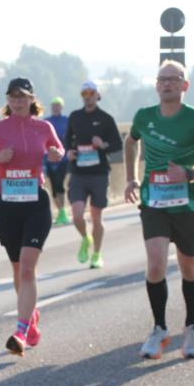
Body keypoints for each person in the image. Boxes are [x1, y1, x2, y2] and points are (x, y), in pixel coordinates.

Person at [124, 61, 194, 359]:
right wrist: (131, 177)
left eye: (173, 79)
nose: (167, 84)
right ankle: (159, 328)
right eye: (162, 79)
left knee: (188, 266)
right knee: (156, 263)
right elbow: (130, 142)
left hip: (187, 205)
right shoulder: (144, 117)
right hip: (154, 203)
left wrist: (188, 173)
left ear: (184, 85)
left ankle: (191, 324)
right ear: (156, 85)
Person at [0, 77, 64, 356]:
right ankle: (30, 319)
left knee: (26, 267)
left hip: (36, 202)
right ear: (7, 101)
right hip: (9, 206)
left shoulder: (44, 127)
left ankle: (20, 330)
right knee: (17, 270)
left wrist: (57, 155)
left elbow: (58, 152)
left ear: (32, 99)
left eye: (22, 96)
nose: (17, 101)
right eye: (13, 97)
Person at [64, 80, 123, 269]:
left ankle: (97, 254)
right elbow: (66, 141)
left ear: (98, 95)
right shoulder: (74, 117)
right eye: (84, 94)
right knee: (77, 216)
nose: (88, 97)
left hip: (99, 174)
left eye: (91, 93)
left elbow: (118, 145)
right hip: (79, 173)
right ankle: (85, 238)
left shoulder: (106, 118)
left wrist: (103, 144)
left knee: (96, 217)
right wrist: (68, 152)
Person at [43, 96, 71, 225]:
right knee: (54, 187)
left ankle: (63, 211)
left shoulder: (66, 120)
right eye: (53, 105)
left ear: (62, 107)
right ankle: (60, 211)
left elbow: (72, 137)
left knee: (60, 184)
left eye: (58, 105)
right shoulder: (46, 122)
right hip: (49, 160)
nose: (55, 107)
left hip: (63, 159)